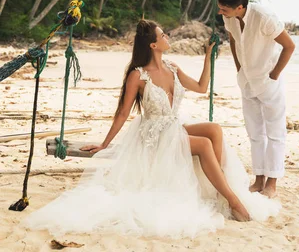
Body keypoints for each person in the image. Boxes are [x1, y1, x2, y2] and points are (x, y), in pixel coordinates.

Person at [25, 19, 280, 238]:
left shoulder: (172, 68)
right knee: (202, 144)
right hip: (153, 136)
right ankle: (232, 199)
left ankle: (217, 189)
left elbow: (202, 87)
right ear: (153, 45)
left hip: (173, 127)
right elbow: (123, 113)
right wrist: (104, 144)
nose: (167, 37)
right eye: (163, 35)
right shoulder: (138, 75)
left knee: (214, 129)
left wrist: (208, 57)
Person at [217, 0, 295, 199]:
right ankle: (258, 179)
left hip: (268, 82)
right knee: (254, 133)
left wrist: (274, 75)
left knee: (275, 133)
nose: (220, 12)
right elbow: (233, 40)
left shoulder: (264, 17)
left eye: (224, 9)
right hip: (247, 82)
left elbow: (289, 46)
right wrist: (239, 68)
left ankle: (272, 183)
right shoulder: (229, 17)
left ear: (240, 7)